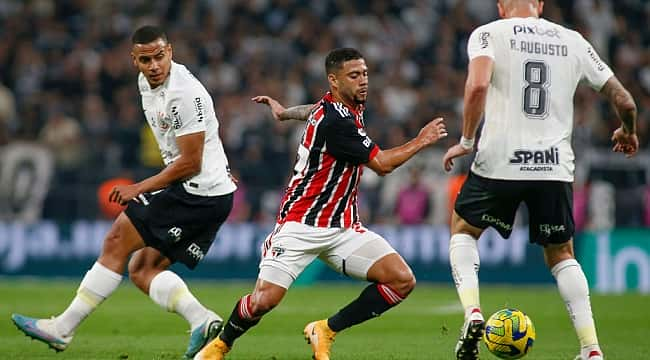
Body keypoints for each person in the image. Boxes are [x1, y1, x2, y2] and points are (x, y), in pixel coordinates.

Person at [193, 47, 448, 360]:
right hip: (300, 223)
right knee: (264, 301)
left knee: (401, 280)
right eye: (354, 76)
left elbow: (312, 109)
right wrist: (421, 140)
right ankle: (220, 345)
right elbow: (381, 164)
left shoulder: (339, 105)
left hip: (343, 227)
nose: (363, 81)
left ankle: (325, 329)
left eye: (365, 73)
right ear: (334, 81)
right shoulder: (336, 121)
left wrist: (285, 112)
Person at [12, 25, 237, 359]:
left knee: (116, 240)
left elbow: (191, 162)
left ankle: (62, 329)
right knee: (142, 270)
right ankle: (202, 320)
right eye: (146, 59)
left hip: (197, 191)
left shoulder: (184, 94)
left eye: (160, 56)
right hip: (204, 192)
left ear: (171, 52)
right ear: (135, 61)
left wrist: (139, 187)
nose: (154, 65)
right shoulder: (145, 83)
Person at [442, 1, 639, 360]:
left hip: (499, 160)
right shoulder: (573, 40)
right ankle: (591, 349)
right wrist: (627, 131)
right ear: (540, 5)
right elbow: (625, 101)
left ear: (502, 6)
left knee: (464, 230)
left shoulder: (488, 34)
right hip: (552, 166)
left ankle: (472, 312)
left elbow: (477, 86)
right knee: (562, 255)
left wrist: (466, 141)